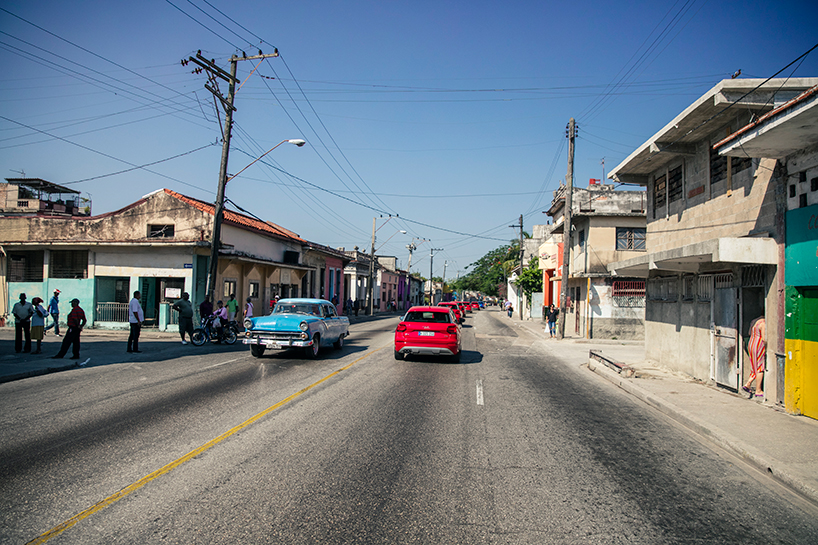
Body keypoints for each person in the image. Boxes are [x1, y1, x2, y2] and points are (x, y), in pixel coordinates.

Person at [743, 316, 767, 399]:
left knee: (754, 366)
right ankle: (758, 390)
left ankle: (748, 384)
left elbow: (749, 333)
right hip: (758, 344)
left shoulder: (754, 321)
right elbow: (764, 339)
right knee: (760, 367)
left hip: (751, 343)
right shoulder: (763, 323)